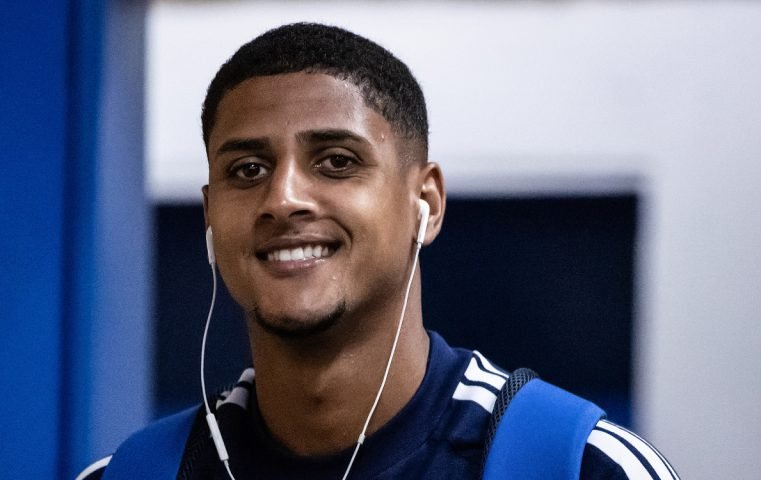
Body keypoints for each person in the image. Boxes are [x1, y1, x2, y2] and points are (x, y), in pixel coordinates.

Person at [77, 23, 678, 480]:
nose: (282, 199)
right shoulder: (130, 475)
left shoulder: (586, 468)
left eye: (337, 161)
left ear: (427, 204)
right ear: (210, 214)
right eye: (248, 169)